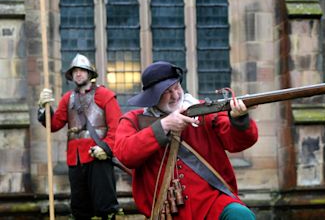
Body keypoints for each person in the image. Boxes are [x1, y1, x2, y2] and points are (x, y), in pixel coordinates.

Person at [114, 61, 259, 219]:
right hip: (167, 211)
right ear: (152, 97)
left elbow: (238, 142)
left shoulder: (203, 110)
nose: (175, 95)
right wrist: (163, 126)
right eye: (166, 92)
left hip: (213, 204)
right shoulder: (133, 121)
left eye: (176, 87)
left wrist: (239, 119)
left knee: (240, 215)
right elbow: (125, 154)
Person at [37, 53, 121, 219]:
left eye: (82, 70)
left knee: (105, 207)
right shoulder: (68, 98)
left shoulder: (105, 95)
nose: (78, 74)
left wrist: (105, 147)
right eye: (75, 71)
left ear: (90, 74)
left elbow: (117, 128)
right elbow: (54, 124)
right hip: (75, 159)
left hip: (99, 157)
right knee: (80, 209)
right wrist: (43, 108)